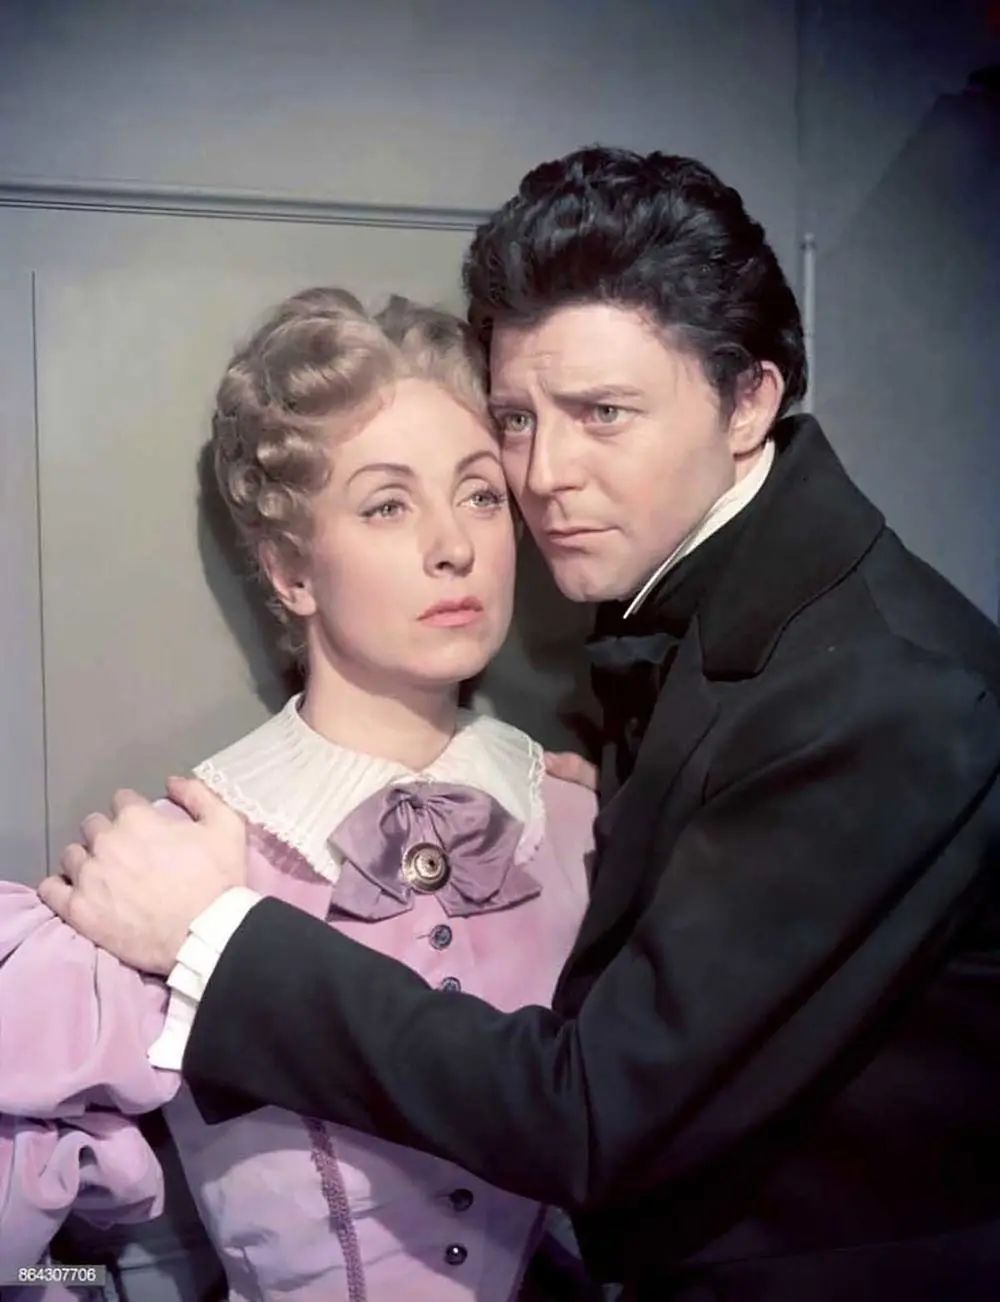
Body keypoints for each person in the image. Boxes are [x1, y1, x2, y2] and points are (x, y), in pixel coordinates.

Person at [45, 148, 1000, 1300]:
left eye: (602, 413)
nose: (544, 475)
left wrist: (222, 939)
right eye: (516, 419)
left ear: (750, 399)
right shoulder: (676, 666)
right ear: (287, 569)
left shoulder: (880, 694)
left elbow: (596, 1115)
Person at [0, 288, 596, 1299]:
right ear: (289, 570)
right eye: (387, 504)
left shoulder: (582, 823)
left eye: (481, 494)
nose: (453, 546)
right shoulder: (179, 861)